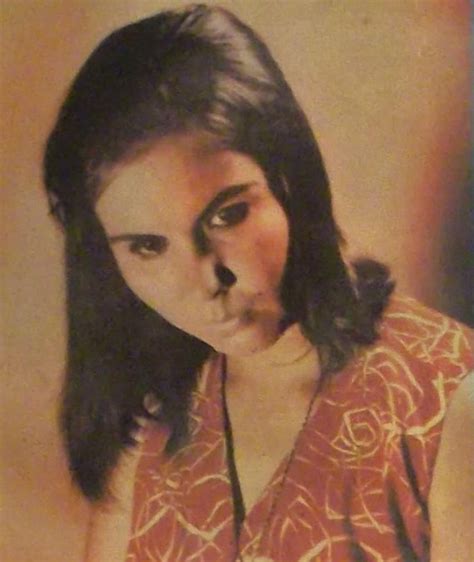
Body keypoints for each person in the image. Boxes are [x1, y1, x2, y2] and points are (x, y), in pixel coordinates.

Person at [43, 5, 473, 562]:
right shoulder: (148, 435)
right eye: (148, 246)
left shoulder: (446, 398)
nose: (205, 279)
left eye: (227, 216)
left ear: (288, 180)